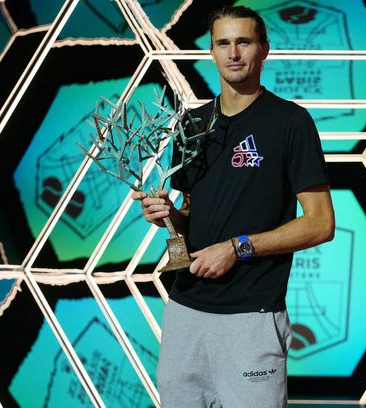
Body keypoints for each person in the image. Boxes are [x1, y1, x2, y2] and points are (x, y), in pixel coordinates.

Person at [131, 5, 335, 408]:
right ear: (211, 51)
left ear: (264, 49)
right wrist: (168, 216)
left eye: (244, 42)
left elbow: (320, 224)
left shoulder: (290, 122)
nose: (233, 53)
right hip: (185, 313)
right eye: (223, 43)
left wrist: (237, 247)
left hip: (251, 316)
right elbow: (192, 215)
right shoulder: (192, 124)